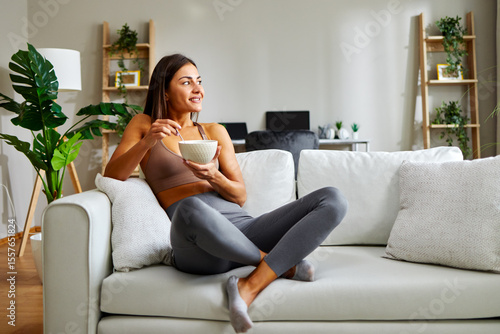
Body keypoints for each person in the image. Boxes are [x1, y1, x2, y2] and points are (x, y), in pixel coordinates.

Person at [104, 54, 348, 333]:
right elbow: (113, 176)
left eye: (199, 81)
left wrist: (213, 176)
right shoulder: (145, 125)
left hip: (243, 229)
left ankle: (248, 285)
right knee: (190, 208)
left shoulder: (214, 131)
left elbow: (239, 196)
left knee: (333, 199)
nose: (198, 89)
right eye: (186, 82)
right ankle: (280, 264)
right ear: (165, 91)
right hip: (197, 242)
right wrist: (148, 142)